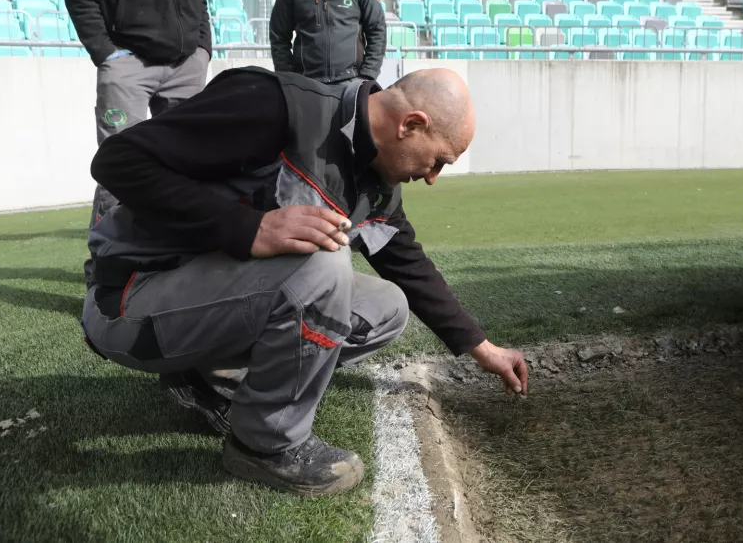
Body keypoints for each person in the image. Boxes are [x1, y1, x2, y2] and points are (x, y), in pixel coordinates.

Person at [80, 66, 529, 497]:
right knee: (322, 267)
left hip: (200, 306)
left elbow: (409, 266)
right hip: (130, 301)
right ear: (411, 124)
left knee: (388, 307)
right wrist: (247, 227)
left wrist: (483, 349)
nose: (431, 178)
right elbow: (119, 160)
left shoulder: (376, 182)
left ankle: (211, 380)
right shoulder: (276, 106)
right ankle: (264, 445)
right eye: (438, 161)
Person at [64, 0, 213, 285]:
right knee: (119, 170)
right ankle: (106, 275)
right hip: (128, 64)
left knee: (188, 170)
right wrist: (104, 50)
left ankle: (175, 268)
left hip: (187, 64)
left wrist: (202, 47)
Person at [268, 0, 387, 85]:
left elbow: (377, 29)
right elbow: (278, 36)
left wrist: (368, 74)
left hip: (352, 82)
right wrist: (287, 76)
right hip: (306, 83)